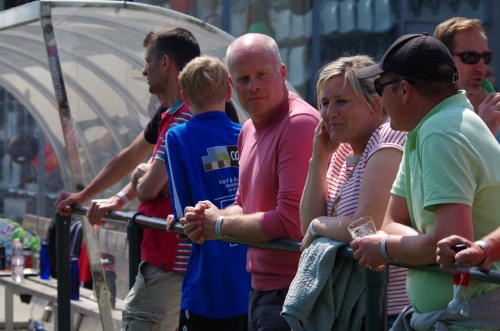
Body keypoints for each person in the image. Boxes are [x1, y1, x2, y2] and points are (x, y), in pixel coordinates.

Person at [350, 33, 500, 330]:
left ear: (404, 90)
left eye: (381, 86)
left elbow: (452, 244)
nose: (379, 99)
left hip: (469, 320)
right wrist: (407, 243)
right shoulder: (430, 127)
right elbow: (390, 222)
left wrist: (385, 248)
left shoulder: (440, 131)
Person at [60, 27, 201, 331]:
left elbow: (148, 185)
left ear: (165, 63)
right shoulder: (169, 114)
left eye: (148, 60)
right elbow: (135, 159)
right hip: (164, 258)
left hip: (171, 259)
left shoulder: (188, 116)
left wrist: (142, 179)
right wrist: (114, 197)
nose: (143, 69)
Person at [181, 33, 321, 331]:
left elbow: (291, 222)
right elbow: (242, 204)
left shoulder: (298, 123)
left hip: (294, 294)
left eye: (261, 75)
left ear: (282, 73)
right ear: (231, 87)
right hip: (261, 290)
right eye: (243, 78)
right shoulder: (247, 130)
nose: (253, 85)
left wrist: (217, 226)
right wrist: (211, 215)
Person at [298, 55, 409, 325]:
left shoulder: (388, 141)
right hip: (354, 309)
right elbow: (305, 225)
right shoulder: (340, 152)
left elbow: (366, 227)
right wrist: (319, 159)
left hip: (387, 311)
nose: (329, 113)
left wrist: (319, 225)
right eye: (324, 103)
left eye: (341, 101)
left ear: (375, 104)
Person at [163, 55, 250, 330]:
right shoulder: (247, 134)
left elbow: (182, 211)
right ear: (228, 91)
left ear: (185, 98)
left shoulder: (177, 136)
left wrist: (178, 220)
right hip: (251, 277)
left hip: (208, 285)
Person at [434, 17, 500, 143]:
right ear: (445, 58)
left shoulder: (486, 114)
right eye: (470, 57)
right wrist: (484, 129)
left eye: (486, 57)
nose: (482, 67)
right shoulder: (428, 114)